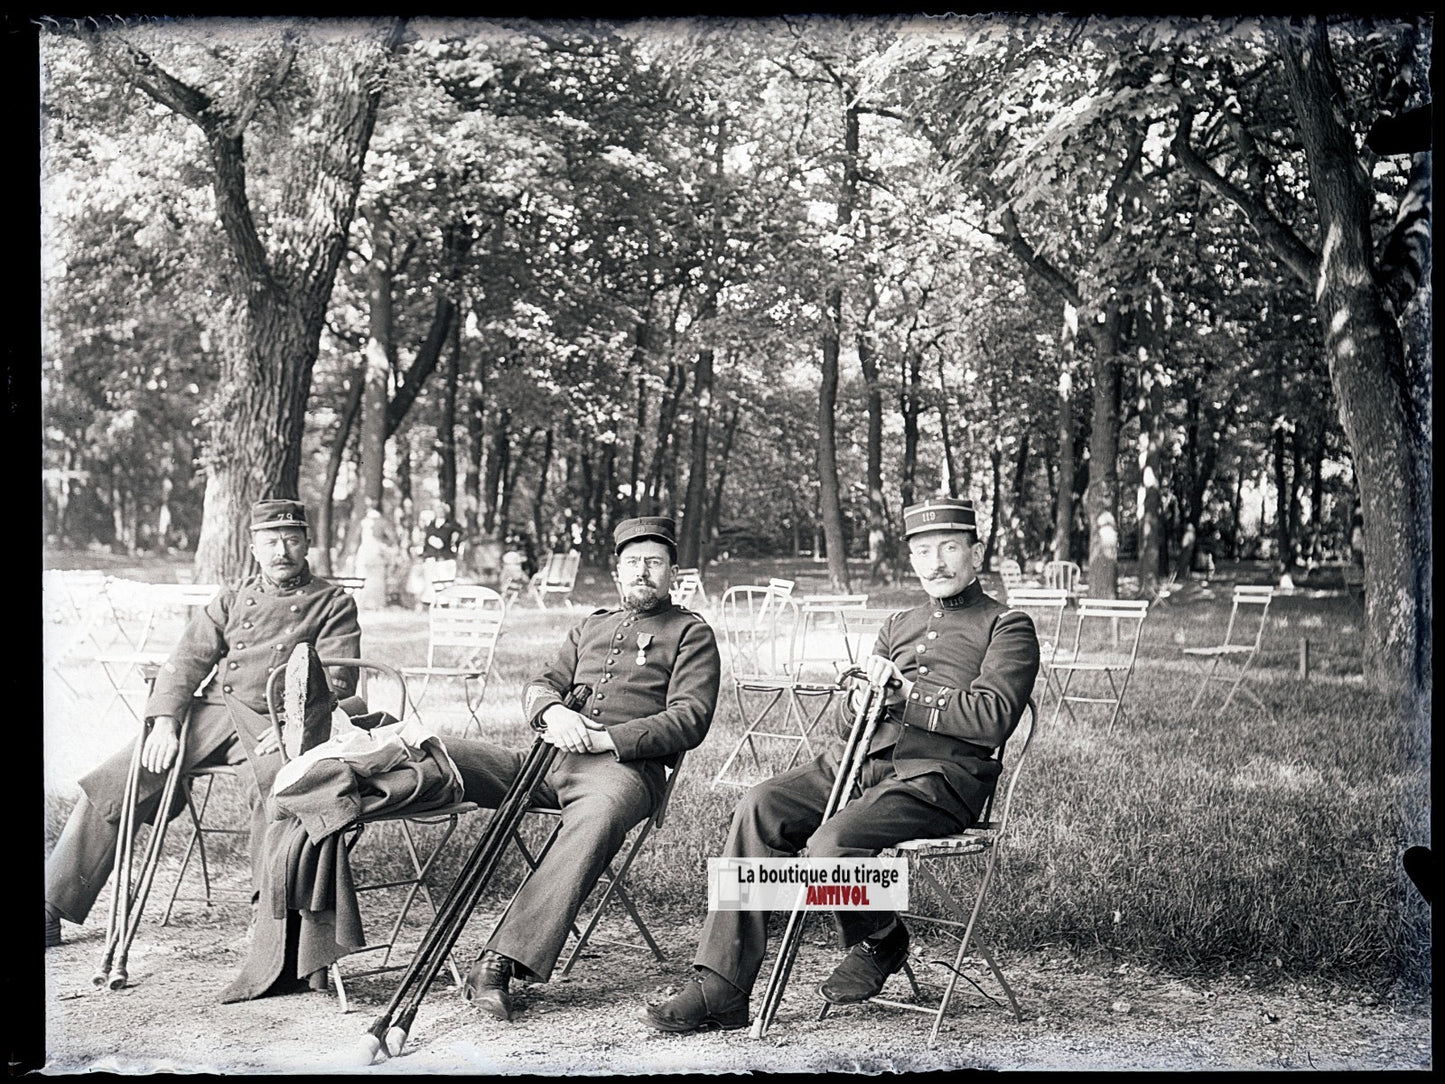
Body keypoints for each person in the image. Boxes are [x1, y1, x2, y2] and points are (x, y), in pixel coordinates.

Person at [644, 496, 1039, 1032]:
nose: (936, 562)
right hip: (856, 765)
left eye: (949, 547)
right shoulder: (900, 623)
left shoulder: (1007, 625)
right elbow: (850, 722)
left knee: (831, 843)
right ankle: (723, 986)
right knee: (760, 804)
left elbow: (992, 718)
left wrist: (906, 694)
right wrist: (857, 701)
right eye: (923, 550)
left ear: (977, 552)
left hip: (937, 780)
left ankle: (881, 937)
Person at [45, 499, 362, 948]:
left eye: (292, 539)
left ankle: (269, 919)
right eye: (270, 541)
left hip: (275, 723)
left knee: (277, 790)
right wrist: (165, 722)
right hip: (212, 714)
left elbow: (338, 675)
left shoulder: (333, 602)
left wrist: (300, 722)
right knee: (120, 776)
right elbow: (188, 658)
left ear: (308, 542)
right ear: (254, 547)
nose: (281, 551)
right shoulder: (233, 596)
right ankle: (51, 905)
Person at [443, 516, 720, 1022]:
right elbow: (542, 681)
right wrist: (552, 712)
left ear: (672, 573)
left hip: (622, 772)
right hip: (547, 760)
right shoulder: (590, 625)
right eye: (633, 562)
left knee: (593, 820)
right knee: (441, 751)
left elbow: (690, 719)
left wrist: (604, 738)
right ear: (617, 573)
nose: (643, 572)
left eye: (654, 563)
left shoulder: (690, 634)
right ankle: (329, 783)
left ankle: (500, 962)